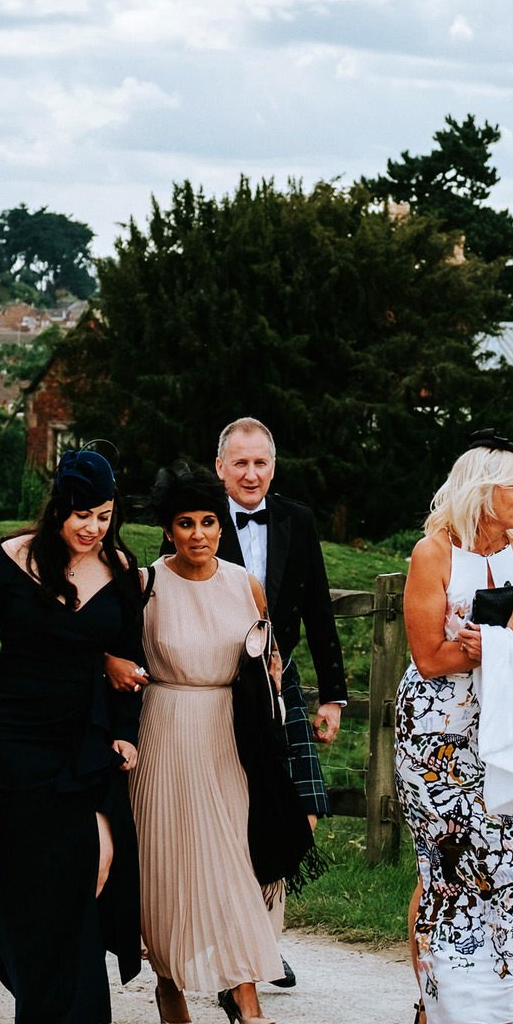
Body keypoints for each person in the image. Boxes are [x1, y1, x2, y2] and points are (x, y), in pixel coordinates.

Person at [0, 447, 144, 1024]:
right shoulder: (9, 559)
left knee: (78, 861)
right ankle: (35, 1006)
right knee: (17, 873)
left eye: (103, 515)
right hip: (8, 732)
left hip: (78, 734)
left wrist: (124, 731)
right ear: (58, 508)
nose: (92, 528)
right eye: (82, 514)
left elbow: (130, 663)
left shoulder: (123, 570)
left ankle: (65, 998)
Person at [395, 435, 513, 1024]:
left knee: (512, 861)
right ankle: (433, 1013)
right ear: (483, 489)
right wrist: (495, 642)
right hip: (435, 730)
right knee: (444, 865)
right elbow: (428, 656)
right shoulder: (433, 553)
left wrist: (493, 644)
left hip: (498, 726)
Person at [136, 467, 304, 1024]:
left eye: (209, 522)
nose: (200, 534)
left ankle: (244, 986)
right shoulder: (146, 585)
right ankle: (169, 982)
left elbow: (270, 658)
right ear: (168, 530)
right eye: (186, 523)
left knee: (234, 853)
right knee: (168, 858)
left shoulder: (245, 584)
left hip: (231, 733)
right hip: (165, 726)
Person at [209, 417, 348, 987]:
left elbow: (318, 608)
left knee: (296, 809)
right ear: (221, 468)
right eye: (239, 463)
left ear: (274, 466)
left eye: (260, 462)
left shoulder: (297, 519)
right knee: (231, 810)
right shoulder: (200, 520)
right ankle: (239, 939)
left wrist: (333, 696)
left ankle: (265, 939)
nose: (251, 473)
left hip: (279, 678)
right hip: (217, 682)